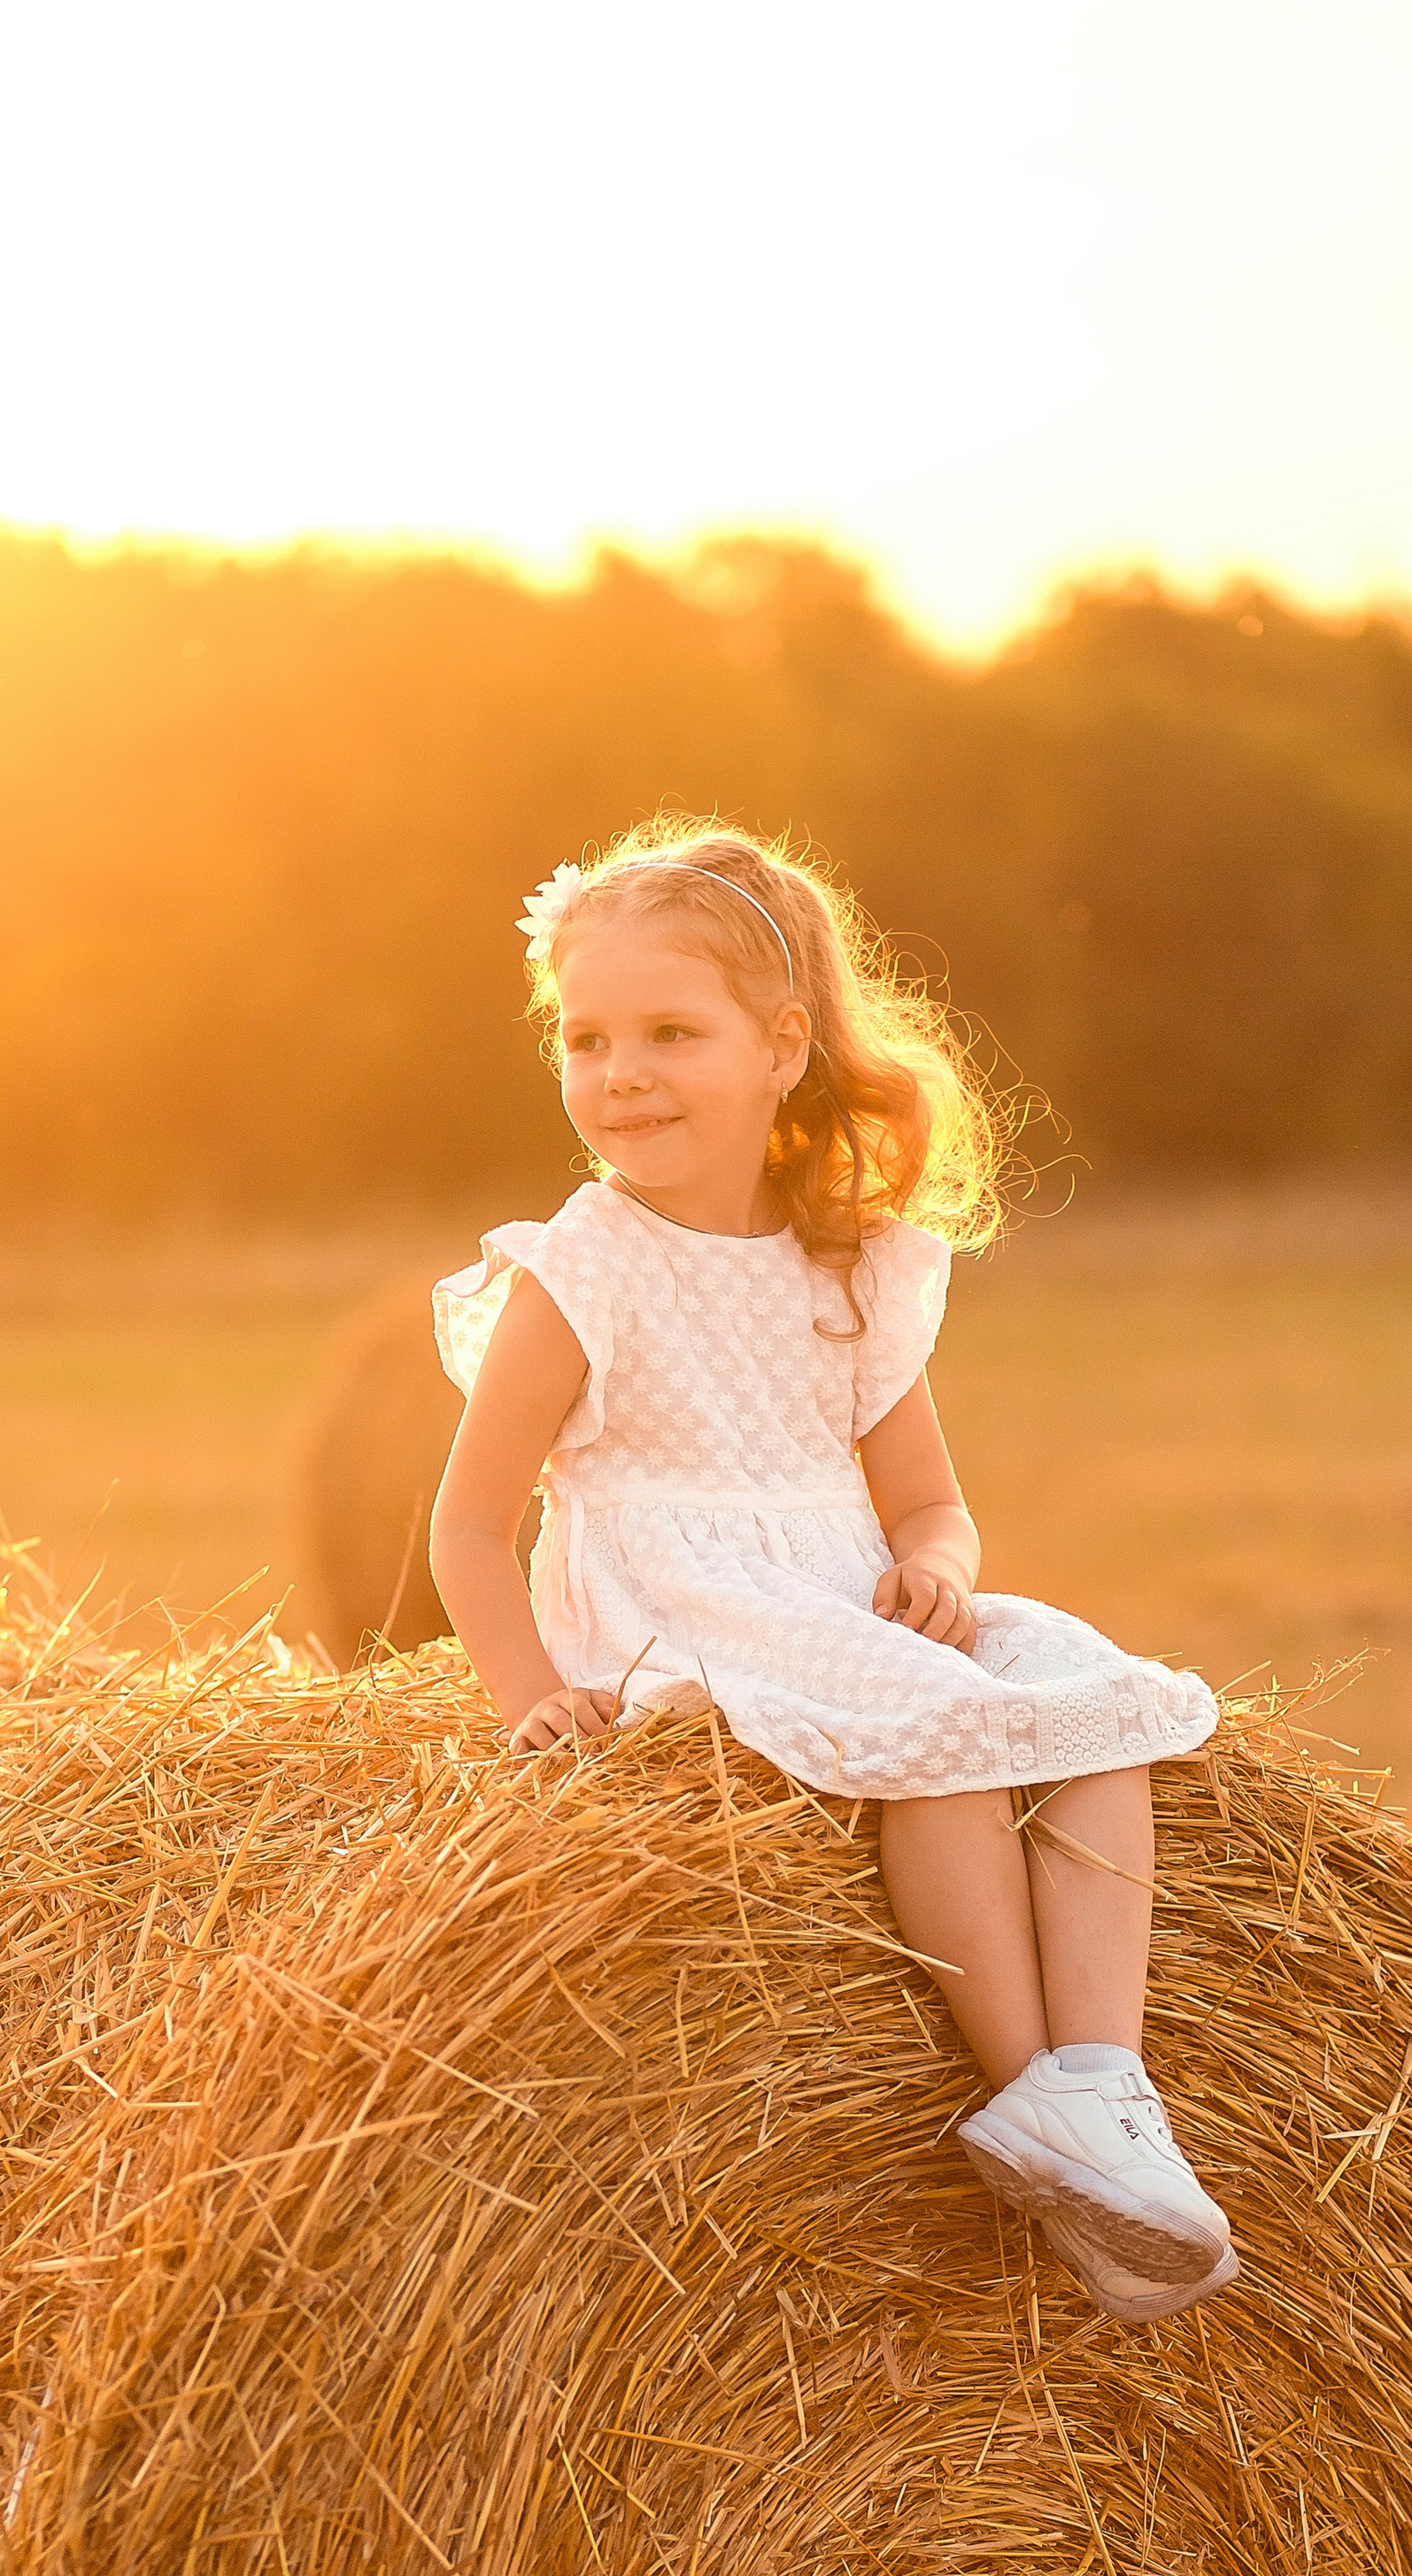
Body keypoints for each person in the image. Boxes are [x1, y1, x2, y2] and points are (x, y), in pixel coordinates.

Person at [428, 821, 1236, 2325]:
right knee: (935, 1741)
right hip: (685, 1605)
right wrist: (531, 1700)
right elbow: (467, 1527)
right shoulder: (578, 1271)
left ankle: (1106, 2092)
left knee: (1099, 1702)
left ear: (783, 1046)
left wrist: (934, 1567)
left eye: (673, 1033)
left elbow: (928, 1502)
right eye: (588, 1039)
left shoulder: (852, 1265)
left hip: (843, 1591)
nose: (624, 1074)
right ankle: (1026, 2096)